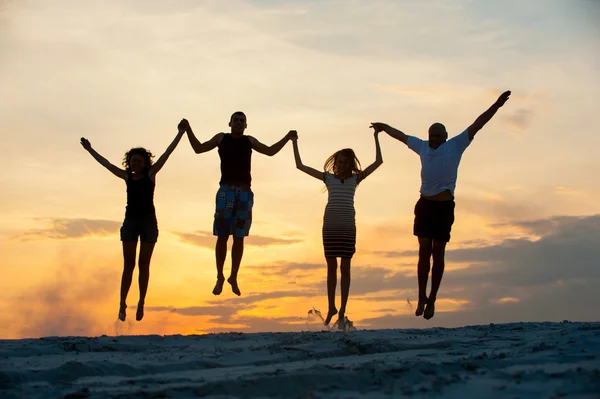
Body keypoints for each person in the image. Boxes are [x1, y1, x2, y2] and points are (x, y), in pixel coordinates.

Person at [371, 90, 511, 320]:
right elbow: (402, 136)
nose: (434, 139)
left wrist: (496, 105)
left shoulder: (455, 145)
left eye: (438, 136)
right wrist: (383, 126)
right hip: (424, 205)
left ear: (445, 136)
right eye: (431, 136)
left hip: (444, 208)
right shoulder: (423, 146)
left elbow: (478, 124)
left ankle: (432, 299)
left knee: (438, 252)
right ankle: (420, 296)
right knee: (423, 251)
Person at [80, 120, 186, 321]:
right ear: (129, 163)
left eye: (139, 161)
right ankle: (122, 303)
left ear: (145, 162)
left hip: (148, 222)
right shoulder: (127, 177)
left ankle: (141, 302)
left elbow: (167, 153)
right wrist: (90, 150)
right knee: (128, 265)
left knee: (144, 264)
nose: (136, 164)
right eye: (133, 161)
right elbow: (107, 165)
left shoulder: (151, 175)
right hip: (130, 222)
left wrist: (180, 133)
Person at [182, 113, 297, 296]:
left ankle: (233, 276)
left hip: (244, 193)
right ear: (230, 123)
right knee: (222, 235)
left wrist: (287, 138)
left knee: (239, 237)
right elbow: (198, 148)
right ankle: (220, 276)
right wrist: (188, 130)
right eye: (236, 120)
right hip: (226, 191)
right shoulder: (222, 138)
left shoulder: (249, 141)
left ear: (246, 125)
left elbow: (270, 151)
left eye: (242, 121)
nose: (238, 123)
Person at [291, 129, 383, 327]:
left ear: (350, 165)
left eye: (345, 162)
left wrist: (376, 137)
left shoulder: (355, 179)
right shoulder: (328, 178)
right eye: (339, 162)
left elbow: (378, 162)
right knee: (331, 267)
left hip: (348, 226)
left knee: (346, 268)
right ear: (335, 164)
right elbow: (300, 166)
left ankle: (342, 308)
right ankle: (332, 306)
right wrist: (293, 141)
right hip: (330, 225)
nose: (341, 165)